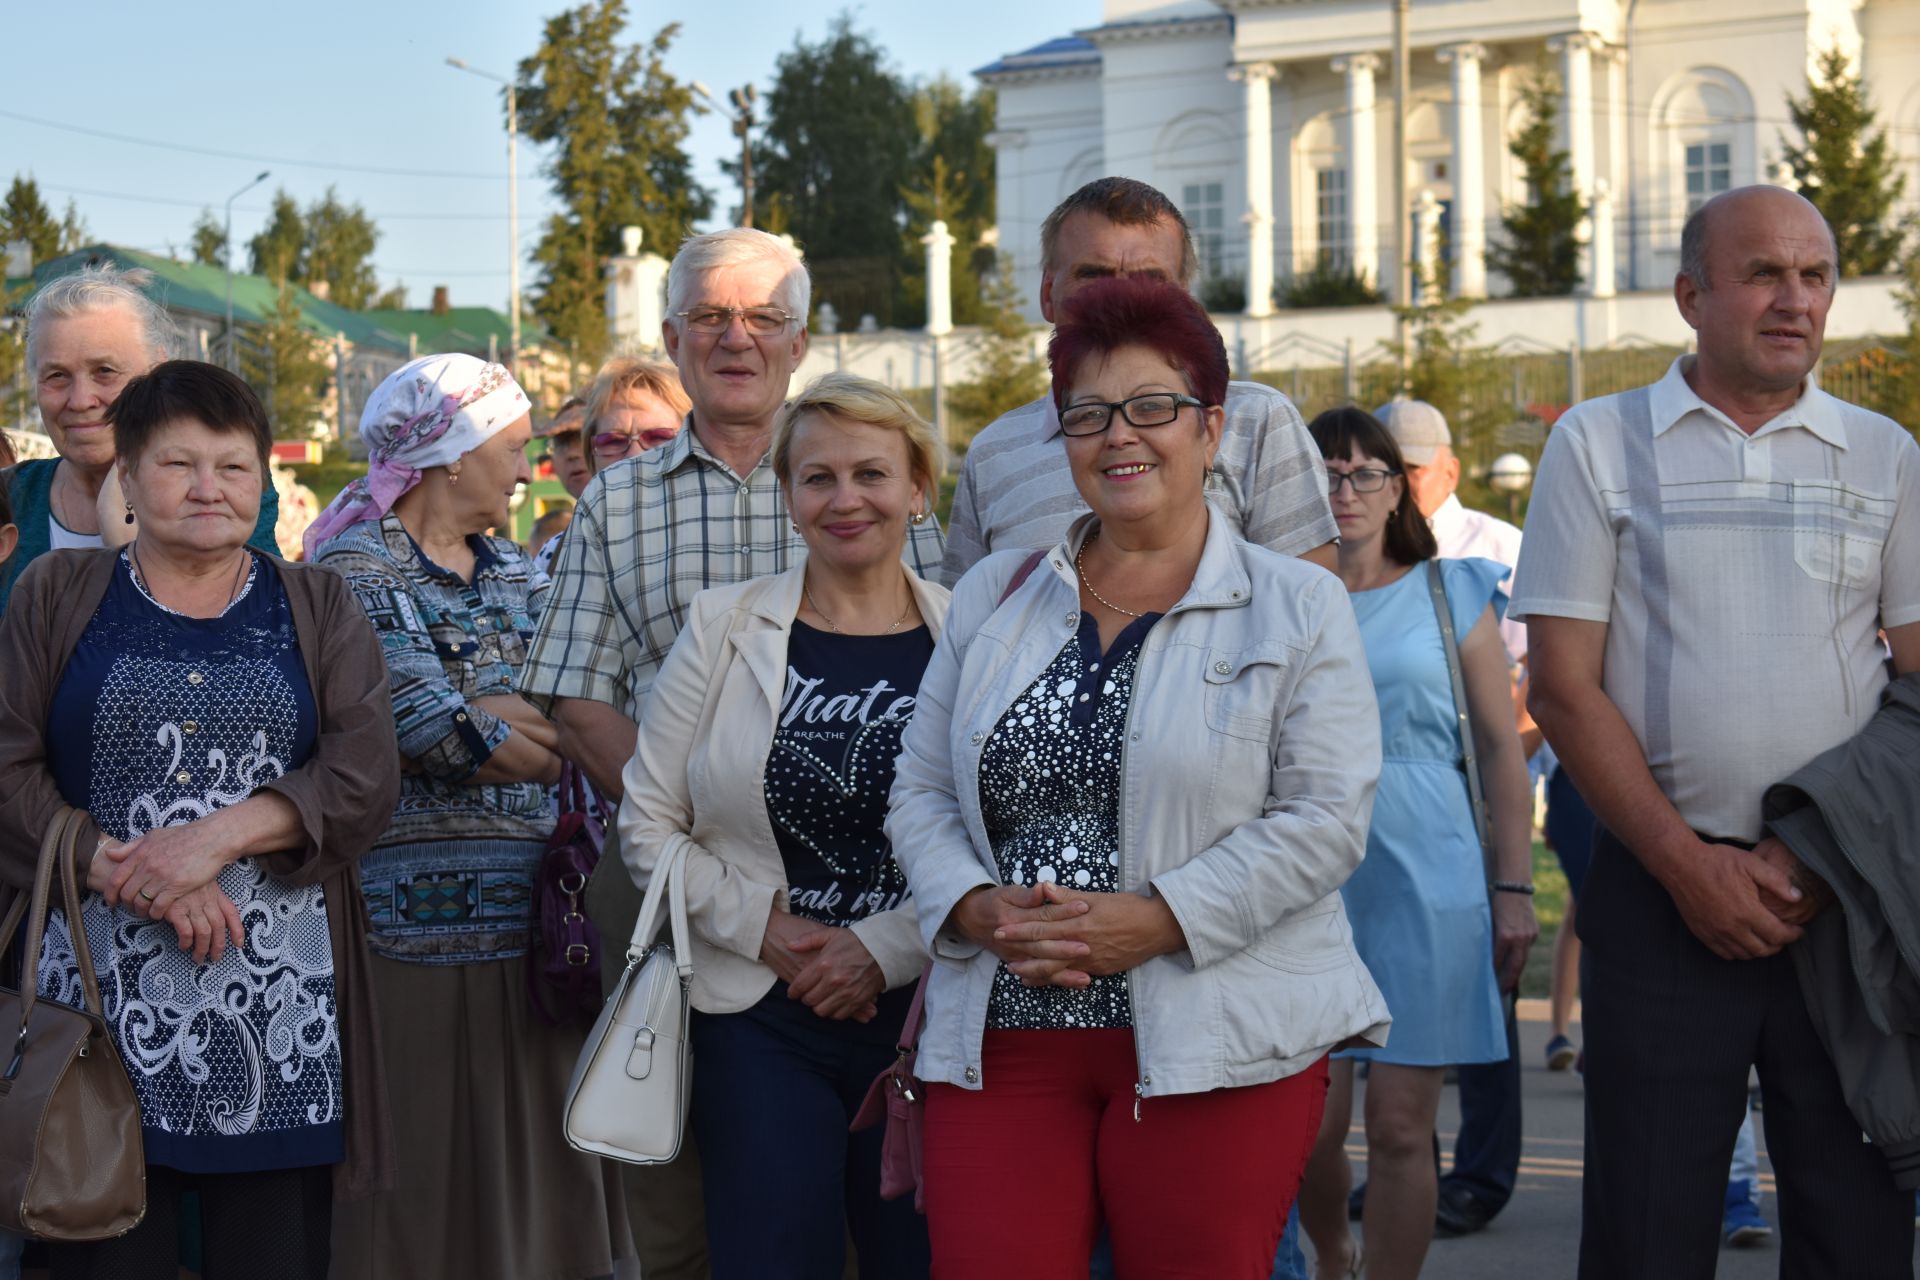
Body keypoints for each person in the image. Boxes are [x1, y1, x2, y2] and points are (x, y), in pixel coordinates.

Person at [887, 276, 1387, 1280]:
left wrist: (1158, 916)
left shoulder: (1296, 604)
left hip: (1217, 1032)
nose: (1122, 435)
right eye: (1089, 413)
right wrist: (973, 904)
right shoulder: (996, 592)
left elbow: (1326, 818)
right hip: (1004, 1031)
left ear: (1212, 427)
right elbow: (920, 789)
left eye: (1154, 406)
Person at [522, 226, 946, 1280]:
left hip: (885, 891)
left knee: (884, 1204)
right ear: (672, 337)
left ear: (800, 338)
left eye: (762, 316)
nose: (736, 337)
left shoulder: (874, 475)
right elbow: (578, 695)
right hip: (677, 882)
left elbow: (947, 687)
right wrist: (716, 844)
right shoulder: (620, 499)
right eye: (710, 316)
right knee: (684, 1207)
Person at [1515, 184, 1920, 1277]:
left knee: (1859, 1229)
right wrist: (1688, 864)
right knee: (1649, 1231)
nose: (1795, 299)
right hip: (1660, 894)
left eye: (1816, 275)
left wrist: (1819, 850)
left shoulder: (1884, 456)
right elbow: (1561, 684)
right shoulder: (1598, 445)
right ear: (1691, 294)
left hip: (1844, 900)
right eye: (1763, 274)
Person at [0, 360, 399, 1277]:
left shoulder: (317, 604)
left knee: (274, 1255)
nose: (209, 488)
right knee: (95, 1251)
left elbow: (366, 774)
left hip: (281, 1012)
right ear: (128, 480)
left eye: (233, 466)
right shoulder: (58, 596)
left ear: (263, 482)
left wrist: (215, 838)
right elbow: (6, 761)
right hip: (95, 1009)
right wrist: (126, 870)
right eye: (179, 464)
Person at [309, 353, 630, 1280]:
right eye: (514, 447)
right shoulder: (355, 566)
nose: (529, 467)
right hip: (408, 940)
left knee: (536, 1189)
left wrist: (500, 711)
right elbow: (427, 729)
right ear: (452, 456)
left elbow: (570, 707)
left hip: (536, 931)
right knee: (423, 1192)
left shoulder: (515, 567)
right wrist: (509, 716)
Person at [621, 373, 944, 1279]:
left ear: (917, 489)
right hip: (759, 1008)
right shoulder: (723, 628)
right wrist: (766, 931)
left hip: (926, 1010)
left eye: (872, 474)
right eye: (818, 478)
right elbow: (647, 823)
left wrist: (881, 947)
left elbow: (998, 841)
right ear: (788, 496)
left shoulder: (974, 637)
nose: (846, 500)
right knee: (772, 1257)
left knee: (915, 1260)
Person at [1294, 407, 1537, 1280]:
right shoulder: (1275, 590)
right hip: (1303, 872)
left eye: (1365, 473)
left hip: (1427, 866)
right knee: (1308, 1126)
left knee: (1401, 1124)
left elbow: (1502, 745)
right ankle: (1331, 1255)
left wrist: (1515, 887)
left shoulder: (1451, 588)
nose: (1346, 489)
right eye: (1327, 471)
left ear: (1398, 486)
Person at [939, 176, 1337, 586]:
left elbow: (1305, 613)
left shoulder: (1256, 421)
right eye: (1093, 275)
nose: (1119, 299)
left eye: (1149, 279)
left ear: (1185, 300)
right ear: (1047, 293)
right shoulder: (993, 453)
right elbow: (967, 622)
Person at [1373, 396, 1533, 1238]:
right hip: (1360, 836)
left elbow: (1534, 685)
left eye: (1405, 466)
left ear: (1447, 469)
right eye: (1376, 462)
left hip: (1452, 806)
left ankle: (1481, 1171)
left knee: (1480, 1013)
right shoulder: (1329, 562)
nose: (1389, 482)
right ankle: (1404, 1180)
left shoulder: (1496, 552)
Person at [2, 265, 280, 613]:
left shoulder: (221, 492)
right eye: (57, 376)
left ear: (158, 372)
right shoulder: (9, 498)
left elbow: (257, 640)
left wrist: (129, 547)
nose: (81, 400)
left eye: (105, 371)